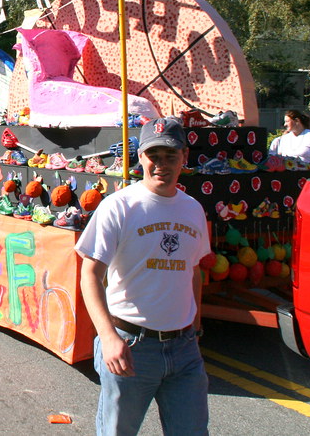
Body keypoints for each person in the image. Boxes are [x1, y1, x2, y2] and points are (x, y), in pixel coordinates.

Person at [75, 117, 211, 436]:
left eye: (170, 156)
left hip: (184, 350)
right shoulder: (119, 207)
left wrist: (196, 327)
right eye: (154, 156)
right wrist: (108, 338)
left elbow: (194, 271)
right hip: (131, 347)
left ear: (184, 158)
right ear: (141, 158)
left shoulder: (193, 209)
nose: (161, 164)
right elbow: (90, 275)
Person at [268, 110, 310, 176]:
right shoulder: (283, 139)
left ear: (297, 121)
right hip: (287, 178)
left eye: (287, 121)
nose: (285, 124)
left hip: (306, 177)